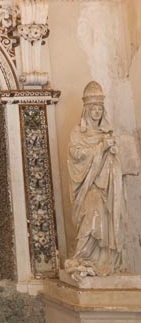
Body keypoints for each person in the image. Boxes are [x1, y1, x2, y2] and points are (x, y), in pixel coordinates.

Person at [66, 81, 125, 277]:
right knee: (91, 216)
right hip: (89, 186)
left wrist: (112, 151)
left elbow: (116, 161)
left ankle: (104, 260)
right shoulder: (78, 132)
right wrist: (101, 148)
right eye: (94, 108)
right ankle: (81, 256)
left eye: (100, 108)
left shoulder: (106, 133)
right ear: (87, 110)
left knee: (107, 218)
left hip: (107, 186)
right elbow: (76, 156)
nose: (97, 112)